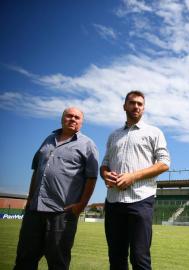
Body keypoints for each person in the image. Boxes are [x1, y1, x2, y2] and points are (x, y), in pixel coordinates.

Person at [14, 107, 99, 270]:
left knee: (57, 262)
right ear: (62, 119)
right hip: (35, 211)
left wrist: (81, 205)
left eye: (77, 117)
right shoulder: (48, 139)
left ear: (82, 122)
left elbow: (92, 177)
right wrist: (30, 199)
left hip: (62, 213)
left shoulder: (87, 144)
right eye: (69, 116)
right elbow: (36, 170)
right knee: (24, 259)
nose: (73, 119)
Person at [101, 90, 170, 270]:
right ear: (125, 106)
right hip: (113, 201)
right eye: (132, 103)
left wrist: (133, 176)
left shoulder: (154, 132)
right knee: (116, 258)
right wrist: (105, 174)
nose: (136, 107)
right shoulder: (114, 135)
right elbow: (105, 163)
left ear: (144, 108)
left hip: (141, 200)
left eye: (140, 104)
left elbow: (164, 164)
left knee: (140, 258)